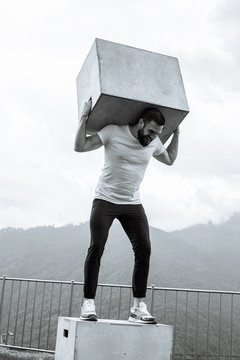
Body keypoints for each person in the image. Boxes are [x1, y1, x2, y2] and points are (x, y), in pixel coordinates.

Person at [74, 98, 180, 324]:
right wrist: (84, 117)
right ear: (141, 123)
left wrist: (177, 133)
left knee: (144, 249)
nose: (153, 136)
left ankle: (137, 307)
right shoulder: (113, 132)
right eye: (151, 130)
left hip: (132, 203)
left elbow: (169, 159)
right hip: (105, 199)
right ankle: (88, 302)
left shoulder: (153, 143)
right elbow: (80, 146)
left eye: (157, 133)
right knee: (97, 247)